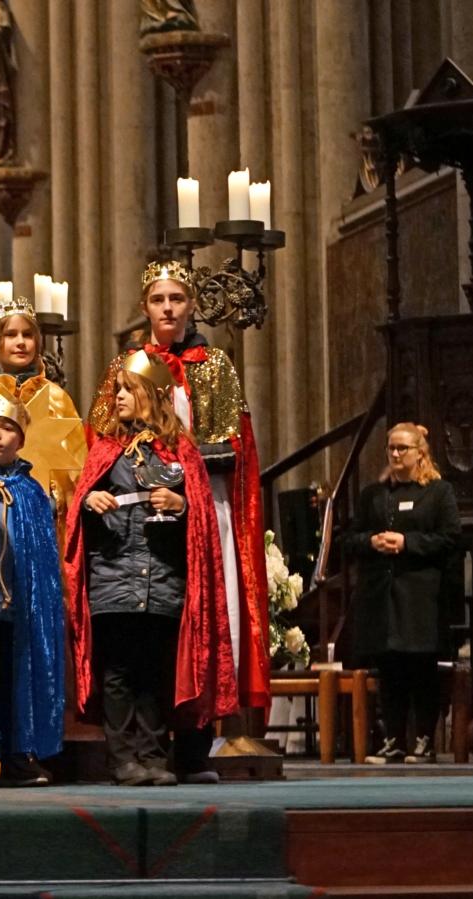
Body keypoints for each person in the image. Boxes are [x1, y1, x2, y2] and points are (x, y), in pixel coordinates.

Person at [88, 260, 272, 777]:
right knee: (142, 650)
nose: (167, 308)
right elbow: (101, 443)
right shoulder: (125, 365)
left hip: (200, 506)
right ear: (144, 306)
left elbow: (235, 446)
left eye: (176, 299)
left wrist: (181, 469)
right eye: (157, 299)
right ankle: (140, 753)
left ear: (191, 304)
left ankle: (192, 749)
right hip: (133, 518)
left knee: (203, 625)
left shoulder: (214, 365)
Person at [62, 352, 236, 786]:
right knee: (118, 673)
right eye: (116, 389)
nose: (117, 396)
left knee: (156, 671)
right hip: (113, 579)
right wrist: (89, 503)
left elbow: (200, 524)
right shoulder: (105, 450)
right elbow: (79, 507)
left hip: (162, 580)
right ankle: (123, 760)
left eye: (127, 389)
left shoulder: (182, 452)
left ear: (153, 397)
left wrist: (181, 504)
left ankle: (155, 757)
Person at [0, 381, 65, 789]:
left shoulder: (31, 491)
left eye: (6, 428)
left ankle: (17, 756)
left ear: (21, 437)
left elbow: (42, 557)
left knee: (12, 681)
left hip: (16, 609)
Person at [344, 423, 461, 765]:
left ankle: (423, 741)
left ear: (420, 453)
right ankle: (392, 739)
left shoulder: (438, 492)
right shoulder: (374, 495)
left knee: (421, 669)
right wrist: (371, 541)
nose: (395, 454)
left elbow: (451, 538)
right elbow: (349, 538)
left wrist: (407, 542)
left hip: (420, 597)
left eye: (403, 448)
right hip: (382, 597)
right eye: (391, 448)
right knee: (390, 669)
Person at [0, 294, 87, 509]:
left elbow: (78, 467)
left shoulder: (56, 397)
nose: (21, 343)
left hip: (45, 508)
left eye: (27, 335)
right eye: (10, 335)